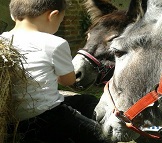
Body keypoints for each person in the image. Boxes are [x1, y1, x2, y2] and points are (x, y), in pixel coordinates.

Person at [0, 0, 108, 142]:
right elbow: (68, 80)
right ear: (53, 16)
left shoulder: (3, 40)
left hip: (11, 118)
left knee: (83, 100)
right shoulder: (54, 43)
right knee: (100, 135)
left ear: (13, 16)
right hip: (46, 115)